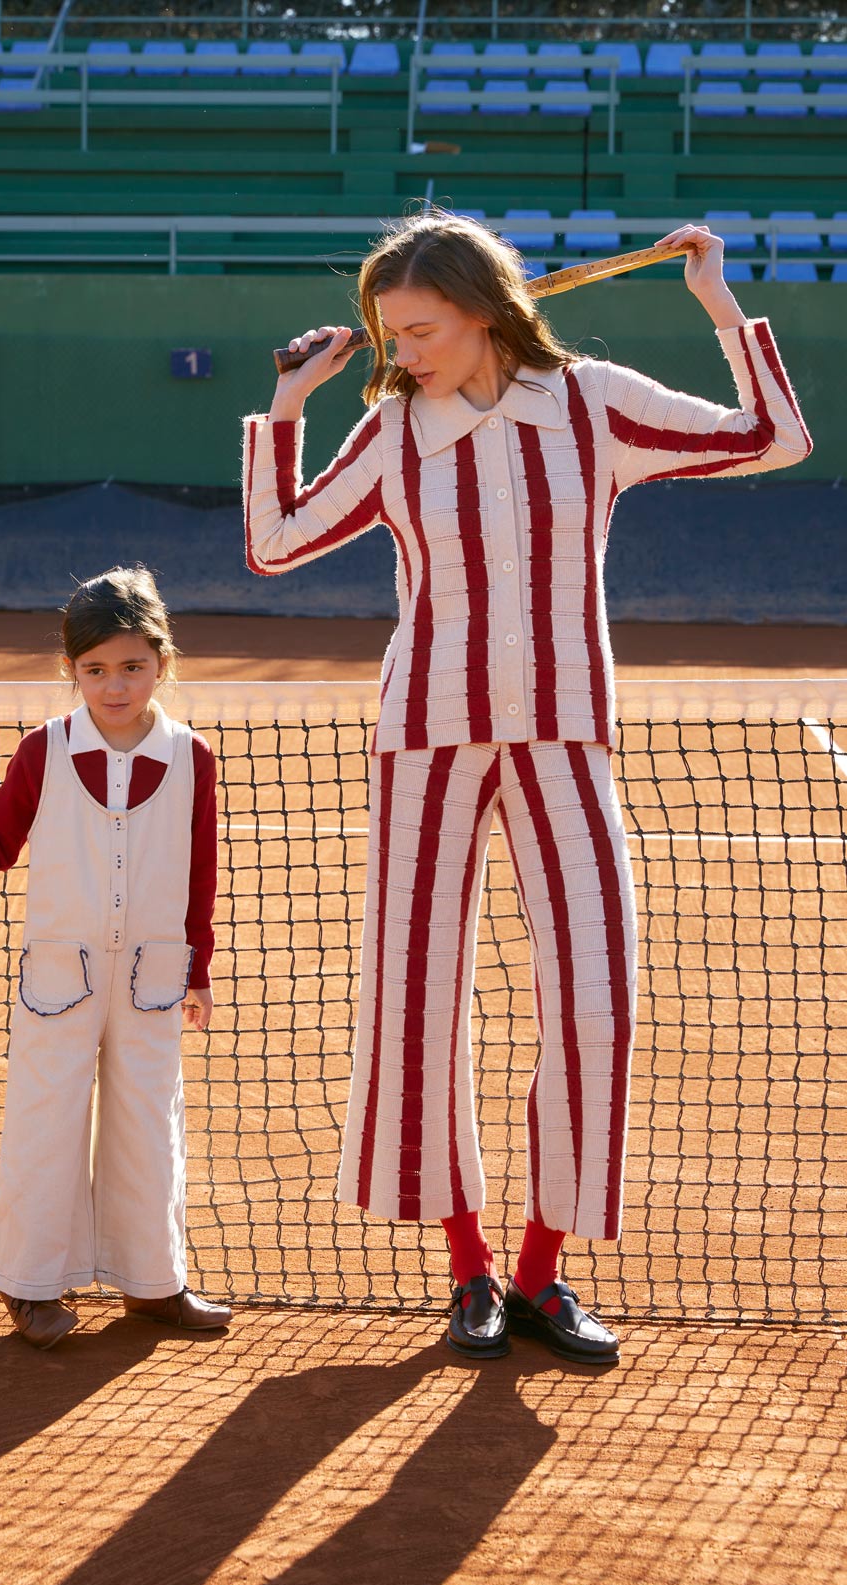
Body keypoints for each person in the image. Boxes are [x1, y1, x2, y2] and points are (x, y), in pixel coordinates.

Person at [242, 214, 811, 1363]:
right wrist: (292, 408)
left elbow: (771, 437)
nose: (400, 352)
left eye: (419, 329)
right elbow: (276, 543)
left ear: (486, 310)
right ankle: (468, 1271)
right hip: (425, 740)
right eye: (386, 332)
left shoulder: (592, 401)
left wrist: (716, 299)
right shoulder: (395, 429)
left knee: (598, 1001)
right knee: (414, 1002)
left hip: (564, 739)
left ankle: (543, 1277)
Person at [0, 567, 231, 1349]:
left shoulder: (192, 756)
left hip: (156, 975)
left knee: (151, 1123)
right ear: (70, 670)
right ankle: (30, 1287)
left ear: (162, 664)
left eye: (132, 666)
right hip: (58, 979)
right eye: (94, 669)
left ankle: (154, 1285)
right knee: (46, 1123)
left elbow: (200, 871)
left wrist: (197, 967)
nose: (113, 685)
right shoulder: (46, 747)